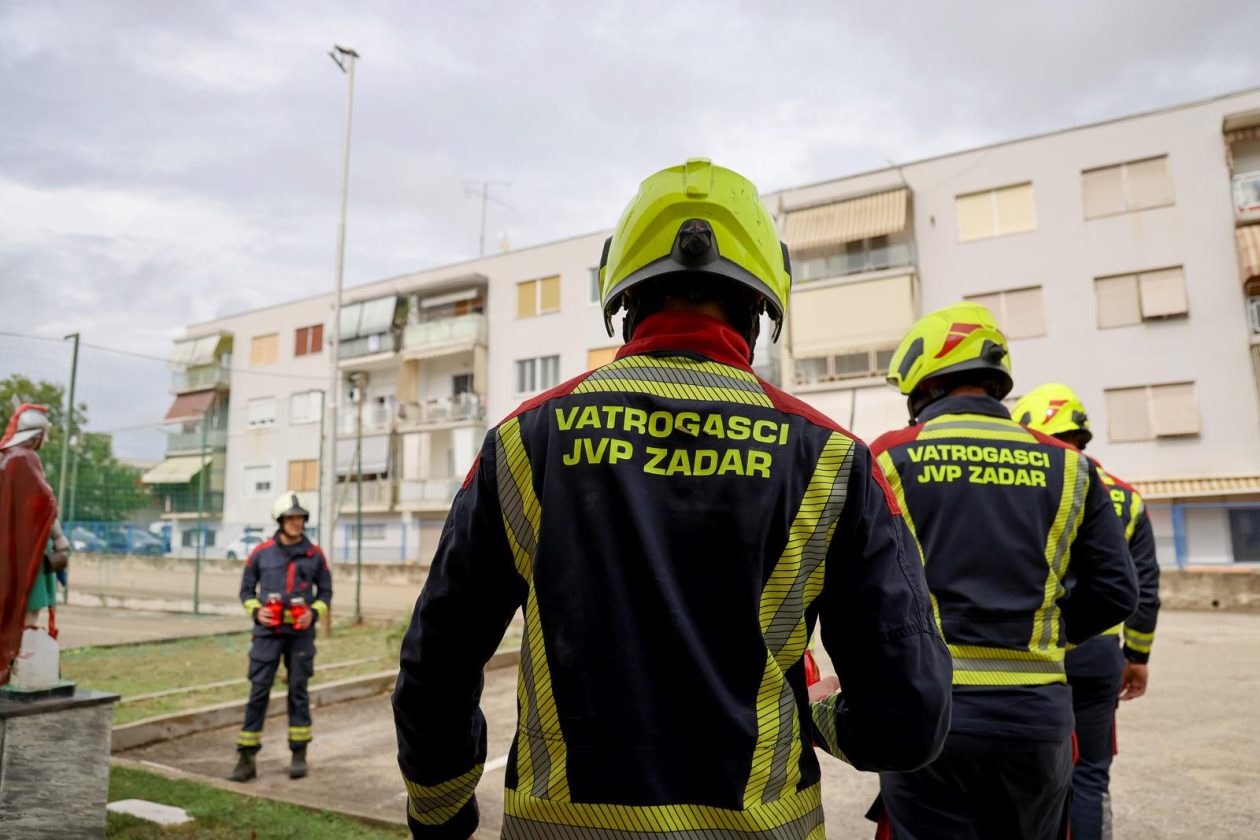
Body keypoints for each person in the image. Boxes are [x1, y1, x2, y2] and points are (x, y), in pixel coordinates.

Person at [392, 158, 952, 839]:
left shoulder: (523, 442)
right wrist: (821, 720)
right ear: (761, 302)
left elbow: (439, 660)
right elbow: (909, 717)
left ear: (625, 297)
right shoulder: (832, 456)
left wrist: (440, 808)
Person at [868, 302, 1138, 840]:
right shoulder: (1070, 464)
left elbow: (861, 583)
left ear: (926, 384)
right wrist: (1042, 633)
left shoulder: (891, 456)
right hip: (1036, 717)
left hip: (930, 711)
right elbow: (1115, 592)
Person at [1013, 383, 1161, 840]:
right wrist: (1136, 656)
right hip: (1098, 653)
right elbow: (1141, 586)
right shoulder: (1125, 496)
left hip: (1034, 653)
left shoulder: (1022, 487)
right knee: (1090, 773)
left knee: (1025, 777)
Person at [227, 492, 331, 783]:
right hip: (267, 635)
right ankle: (246, 758)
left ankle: (299, 754)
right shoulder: (261, 553)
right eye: (291, 518)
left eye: (300, 518)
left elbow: (325, 593)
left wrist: (314, 611)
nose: (297, 523)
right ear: (280, 521)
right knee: (258, 692)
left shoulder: (315, 555)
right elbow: (246, 592)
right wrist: (257, 611)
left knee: (298, 692)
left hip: (300, 636)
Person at [0, 404, 70, 688]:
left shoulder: (5, 458)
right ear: (36, 434)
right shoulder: (25, 459)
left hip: (9, 550)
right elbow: (43, 504)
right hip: (28, 549)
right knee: (30, 605)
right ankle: (21, 660)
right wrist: (59, 537)